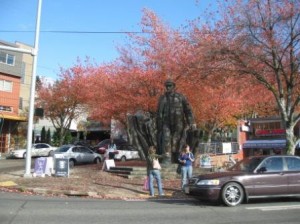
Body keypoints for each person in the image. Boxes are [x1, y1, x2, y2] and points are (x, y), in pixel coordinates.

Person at [157, 79, 196, 164]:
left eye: (170, 85)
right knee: (166, 139)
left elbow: (188, 110)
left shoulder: (181, 97)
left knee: (177, 140)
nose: (168, 87)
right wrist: (158, 125)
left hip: (179, 123)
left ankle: (178, 157)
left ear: (174, 86)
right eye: (166, 86)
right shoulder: (162, 98)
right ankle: (167, 158)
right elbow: (159, 113)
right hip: (166, 122)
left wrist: (192, 122)